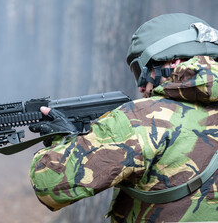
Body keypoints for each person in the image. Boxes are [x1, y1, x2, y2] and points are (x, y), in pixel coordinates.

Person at [28, 13, 218, 222]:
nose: (140, 86)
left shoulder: (140, 119)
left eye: (141, 71)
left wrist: (63, 140)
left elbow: (48, 182)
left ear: (173, 62)